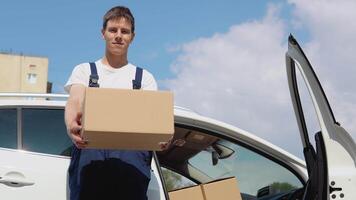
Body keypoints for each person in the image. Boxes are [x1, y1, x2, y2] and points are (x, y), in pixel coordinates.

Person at [64, 6, 158, 200]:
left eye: (125, 31)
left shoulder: (144, 78)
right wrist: (71, 124)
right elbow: (75, 99)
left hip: (131, 160)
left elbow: (153, 118)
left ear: (132, 36)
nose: (118, 36)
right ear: (103, 33)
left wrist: (160, 138)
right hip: (90, 153)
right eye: (113, 30)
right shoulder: (85, 71)